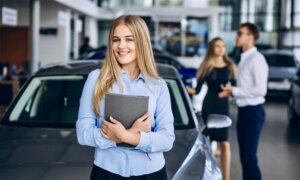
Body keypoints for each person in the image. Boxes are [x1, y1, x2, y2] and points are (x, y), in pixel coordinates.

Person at [76, 15, 175, 180]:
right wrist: (126, 134)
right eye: (116, 40)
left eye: (129, 39)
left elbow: (167, 139)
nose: (121, 46)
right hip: (107, 172)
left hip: (151, 174)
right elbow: (83, 133)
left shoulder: (158, 85)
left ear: (141, 43)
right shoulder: (96, 79)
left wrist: (125, 136)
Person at [219, 23, 268, 180]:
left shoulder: (256, 59)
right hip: (244, 112)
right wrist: (232, 93)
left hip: (253, 113)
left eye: (240, 33)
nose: (237, 36)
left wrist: (235, 91)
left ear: (251, 37)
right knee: (245, 159)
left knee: (249, 159)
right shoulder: (244, 59)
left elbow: (261, 90)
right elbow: (247, 89)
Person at [186, 37, 237, 180]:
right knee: (208, 142)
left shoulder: (230, 66)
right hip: (209, 104)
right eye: (217, 46)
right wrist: (183, 88)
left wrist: (229, 91)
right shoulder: (206, 66)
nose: (221, 49)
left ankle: (226, 178)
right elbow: (197, 90)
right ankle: (209, 175)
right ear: (212, 49)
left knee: (225, 143)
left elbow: (235, 87)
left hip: (223, 106)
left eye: (223, 46)